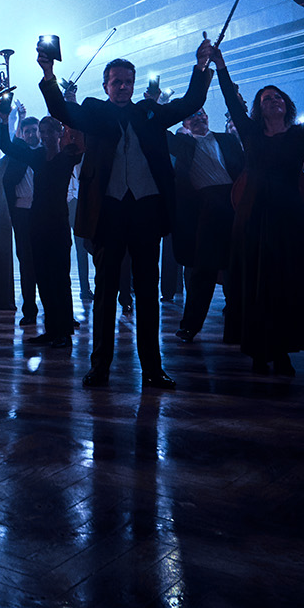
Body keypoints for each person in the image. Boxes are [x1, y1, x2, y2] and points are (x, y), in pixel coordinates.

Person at [38, 41, 213, 390]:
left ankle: (152, 367)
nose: (122, 87)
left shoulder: (149, 111)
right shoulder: (92, 110)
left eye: (127, 81)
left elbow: (192, 102)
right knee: (105, 291)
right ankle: (99, 366)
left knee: (147, 291)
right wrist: (48, 74)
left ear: (134, 85)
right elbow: (60, 110)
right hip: (107, 209)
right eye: (116, 81)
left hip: (147, 208)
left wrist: (201, 66)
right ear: (105, 86)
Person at [214, 51, 304, 374]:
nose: (272, 100)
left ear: (285, 104)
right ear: (258, 109)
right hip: (255, 216)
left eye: (277, 97)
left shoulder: (300, 135)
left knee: (288, 285)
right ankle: (260, 349)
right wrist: (220, 66)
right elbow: (231, 100)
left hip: (289, 216)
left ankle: (283, 350)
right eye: (266, 98)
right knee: (259, 285)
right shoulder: (250, 132)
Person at [167, 109, 243, 344]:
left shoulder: (227, 139)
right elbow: (161, 132)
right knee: (203, 269)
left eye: (202, 114)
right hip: (205, 207)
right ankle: (190, 326)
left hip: (234, 202)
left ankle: (237, 323)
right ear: (185, 123)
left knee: (237, 268)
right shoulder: (183, 144)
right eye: (193, 116)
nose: (200, 118)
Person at [28, 118, 83, 347]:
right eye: (42, 132)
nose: (44, 135)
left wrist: (69, 108)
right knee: (43, 278)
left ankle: (63, 332)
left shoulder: (67, 156)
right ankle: (52, 330)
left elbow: (80, 141)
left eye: (49, 131)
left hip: (58, 224)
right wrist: (2, 116)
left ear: (59, 133)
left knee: (60, 279)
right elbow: (8, 146)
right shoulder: (38, 157)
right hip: (38, 224)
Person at [0, 100, 45, 328]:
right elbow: (2, 141)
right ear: (23, 134)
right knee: (27, 263)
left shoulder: (48, 153)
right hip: (22, 214)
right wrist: (3, 116)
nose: (32, 134)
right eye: (28, 131)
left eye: (35, 130)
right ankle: (30, 311)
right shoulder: (18, 153)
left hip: (46, 214)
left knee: (50, 264)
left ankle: (59, 312)